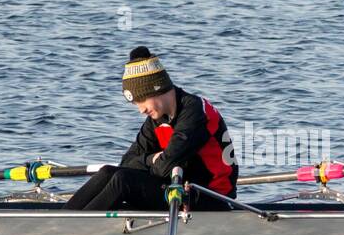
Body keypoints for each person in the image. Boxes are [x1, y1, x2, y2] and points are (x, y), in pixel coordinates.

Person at [64, 47, 238, 211]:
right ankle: (63, 218)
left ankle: (73, 228)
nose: (141, 110)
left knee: (123, 181)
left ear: (157, 88)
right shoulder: (157, 118)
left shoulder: (194, 113)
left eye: (141, 101)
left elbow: (164, 167)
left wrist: (153, 162)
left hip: (213, 196)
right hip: (179, 188)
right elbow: (127, 162)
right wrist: (150, 159)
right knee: (108, 172)